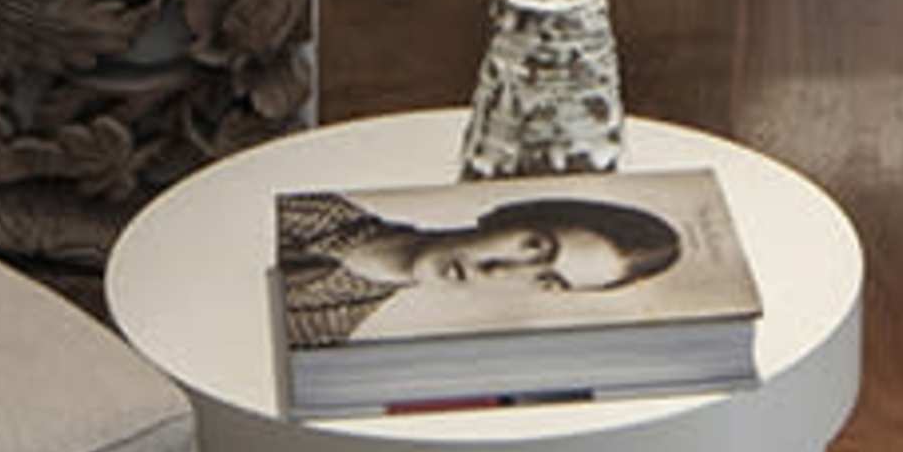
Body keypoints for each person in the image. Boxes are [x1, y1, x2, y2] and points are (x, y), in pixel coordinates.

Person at [279, 185, 681, 351]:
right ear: (507, 216)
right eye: (533, 245)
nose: (498, 272)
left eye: (546, 280)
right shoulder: (312, 205)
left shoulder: (328, 333)